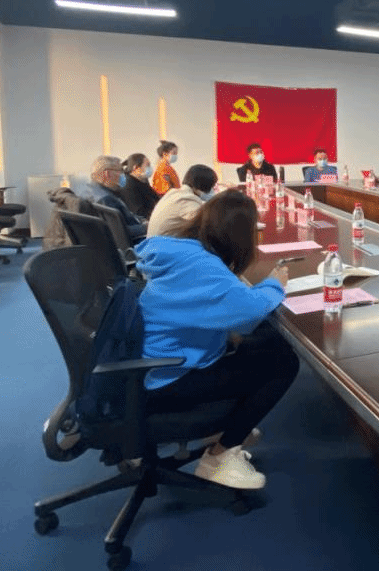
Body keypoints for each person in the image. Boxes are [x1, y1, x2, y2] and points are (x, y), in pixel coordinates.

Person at [137, 190, 299, 490]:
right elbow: (248, 313)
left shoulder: (186, 251)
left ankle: (227, 428)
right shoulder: (203, 267)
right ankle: (220, 456)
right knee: (284, 362)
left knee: (265, 341)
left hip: (156, 365)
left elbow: (235, 307)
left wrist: (260, 291)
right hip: (168, 379)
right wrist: (275, 284)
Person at [147, 165, 219, 237]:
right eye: (211, 187)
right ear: (202, 185)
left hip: (156, 240)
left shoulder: (176, 194)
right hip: (163, 242)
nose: (212, 191)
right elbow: (207, 222)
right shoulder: (186, 200)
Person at [87, 155, 147, 242]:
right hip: (135, 243)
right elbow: (119, 232)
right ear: (107, 174)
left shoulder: (95, 192)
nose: (123, 175)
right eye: (120, 171)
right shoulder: (105, 199)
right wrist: (146, 227)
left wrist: (142, 220)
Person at [119, 153, 159, 219]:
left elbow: (156, 198)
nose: (150, 168)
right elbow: (139, 212)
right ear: (136, 168)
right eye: (147, 165)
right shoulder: (128, 184)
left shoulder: (143, 180)